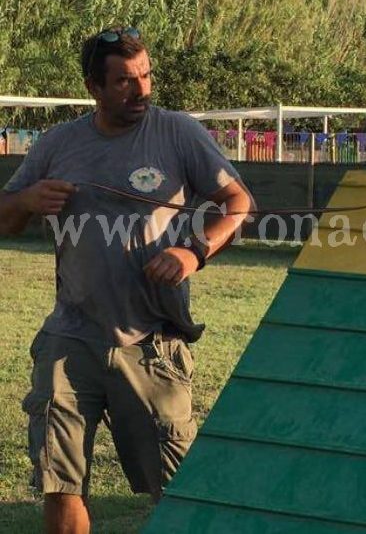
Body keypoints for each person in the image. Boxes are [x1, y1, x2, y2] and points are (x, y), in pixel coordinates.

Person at [0, 27, 254, 534]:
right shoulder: (58, 143)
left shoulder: (178, 133)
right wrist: (26, 202)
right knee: (59, 479)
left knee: (178, 486)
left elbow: (240, 203)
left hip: (153, 340)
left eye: (146, 76)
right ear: (94, 86)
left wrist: (192, 251)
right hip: (71, 337)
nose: (140, 91)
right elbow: (5, 216)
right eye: (123, 81)